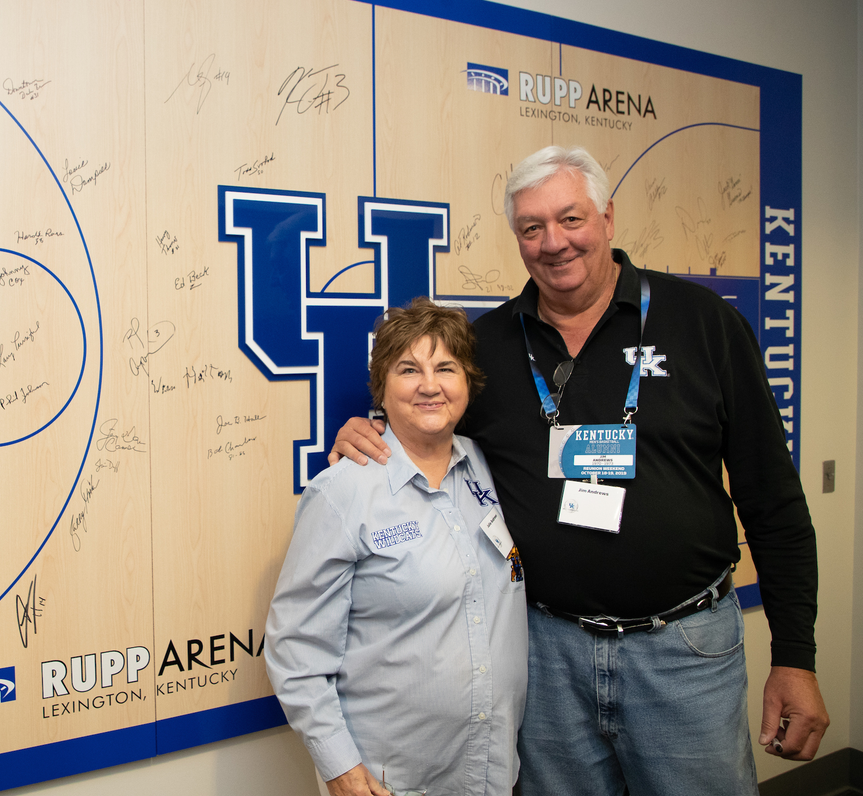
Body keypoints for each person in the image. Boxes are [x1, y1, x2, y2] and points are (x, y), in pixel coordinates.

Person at [330, 146, 828, 796]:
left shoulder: (704, 324)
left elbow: (774, 501)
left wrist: (795, 656)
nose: (553, 242)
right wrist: (371, 431)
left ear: (607, 218)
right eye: (532, 227)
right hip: (543, 657)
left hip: (683, 652)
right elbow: (428, 428)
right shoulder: (487, 348)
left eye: (571, 218)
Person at [266, 299, 527, 796]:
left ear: (467, 382)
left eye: (446, 368)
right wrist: (339, 767)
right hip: (392, 781)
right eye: (409, 369)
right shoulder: (343, 492)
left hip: (491, 770)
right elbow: (296, 648)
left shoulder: (487, 465)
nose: (430, 385)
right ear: (381, 388)